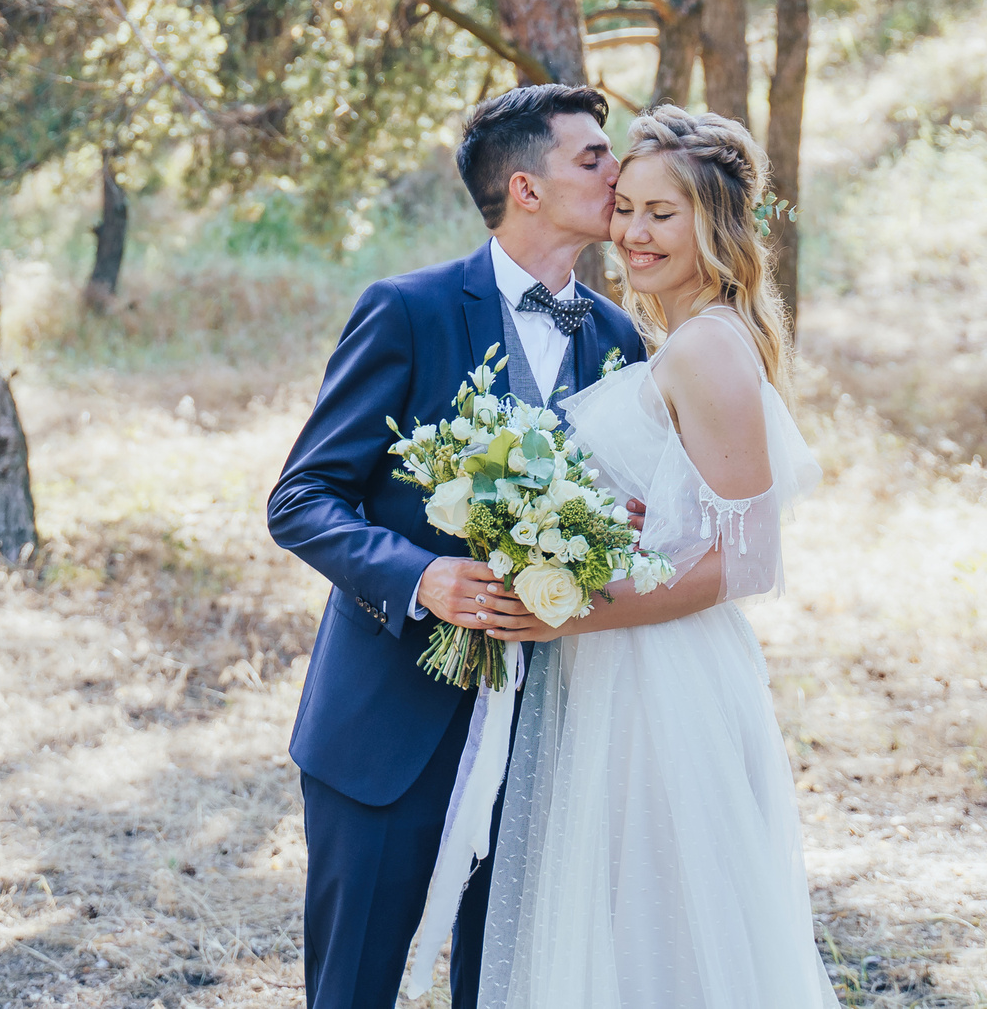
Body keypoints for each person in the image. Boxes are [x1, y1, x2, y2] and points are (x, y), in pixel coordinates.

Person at [266, 84, 647, 1009]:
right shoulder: (408, 309)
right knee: (351, 988)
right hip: (387, 726)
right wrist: (422, 574)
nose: (618, 170)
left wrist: (617, 536)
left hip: (550, 729)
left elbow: (639, 515)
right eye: (593, 156)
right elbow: (302, 498)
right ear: (525, 186)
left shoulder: (623, 340)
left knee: (508, 987)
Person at [473, 104, 838, 1009]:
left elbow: (748, 561)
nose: (633, 233)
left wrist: (576, 606)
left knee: (666, 930)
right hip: (624, 661)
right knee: (627, 922)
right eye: (625, 206)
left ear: (713, 221)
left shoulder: (709, 344)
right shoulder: (677, 337)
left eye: (662, 214)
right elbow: (691, 514)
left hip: (665, 675)